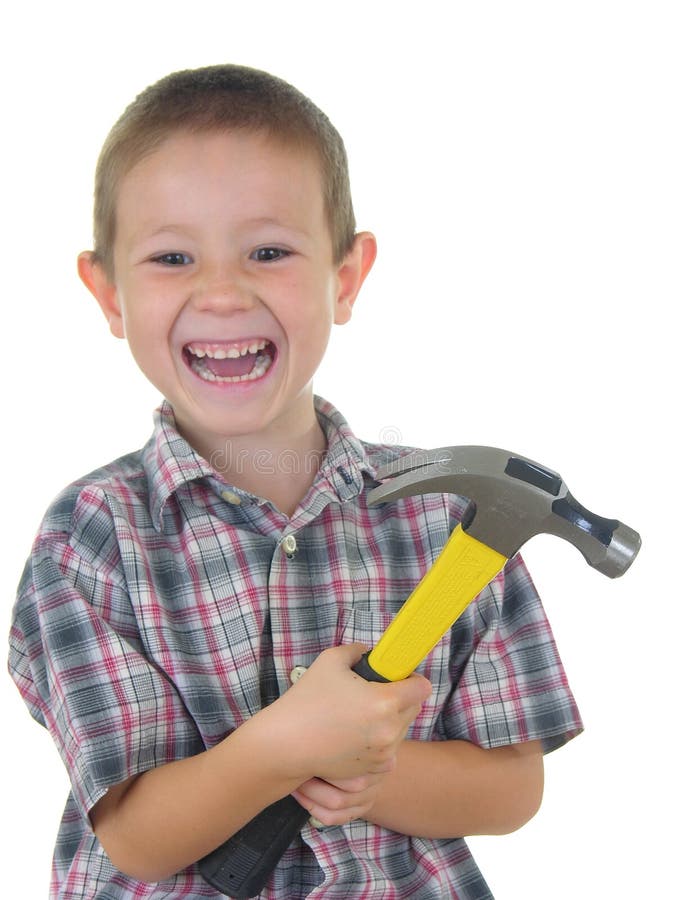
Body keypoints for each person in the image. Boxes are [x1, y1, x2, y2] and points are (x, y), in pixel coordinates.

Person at [8, 64, 582, 899]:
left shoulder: (451, 526)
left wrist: (371, 773)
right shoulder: (90, 539)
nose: (223, 291)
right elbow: (134, 835)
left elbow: (511, 786)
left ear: (345, 277)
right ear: (109, 294)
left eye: (268, 252)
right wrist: (281, 748)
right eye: (172, 257)